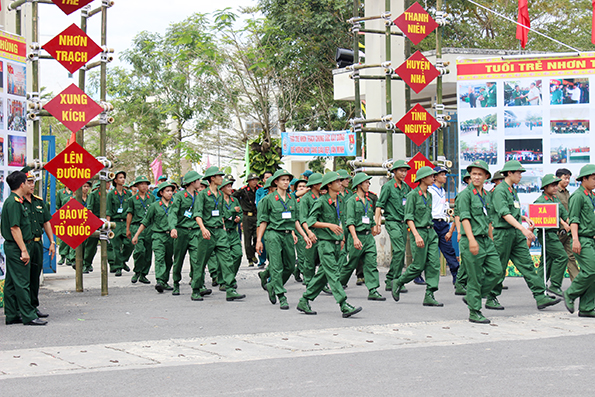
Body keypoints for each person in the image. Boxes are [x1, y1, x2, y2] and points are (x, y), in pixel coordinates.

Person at [487, 160, 561, 310]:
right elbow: (504, 214)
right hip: (503, 234)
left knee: (527, 265)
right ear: (509, 173)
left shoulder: (511, 190)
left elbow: (512, 212)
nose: (520, 176)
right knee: (499, 268)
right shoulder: (500, 190)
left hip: (515, 234)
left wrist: (523, 218)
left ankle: (540, 296)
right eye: (518, 173)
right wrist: (523, 229)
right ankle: (491, 297)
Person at [297, 171, 362, 318]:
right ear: (329, 185)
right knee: (333, 274)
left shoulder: (341, 200)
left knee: (323, 276)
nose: (341, 183)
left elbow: (343, 222)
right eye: (337, 181)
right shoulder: (320, 201)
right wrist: (329, 225)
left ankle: (304, 300)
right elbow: (311, 221)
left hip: (337, 242)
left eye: (341, 181)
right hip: (325, 243)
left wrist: (343, 239)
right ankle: (344, 304)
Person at [256, 169, 311, 310]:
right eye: (283, 180)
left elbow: (296, 220)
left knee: (290, 265)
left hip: (288, 234)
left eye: (287, 180)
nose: (286, 182)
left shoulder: (292, 198)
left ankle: (272, 285)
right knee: (276, 266)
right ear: (276, 182)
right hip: (273, 234)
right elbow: (262, 221)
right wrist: (259, 240)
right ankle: (281, 295)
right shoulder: (268, 200)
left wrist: (304, 235)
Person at [191, 166, 245, 302]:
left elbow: (224, 213)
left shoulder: (220, 195)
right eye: (219, 176)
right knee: (201, 261)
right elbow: (197, 214)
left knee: (226, 259)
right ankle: (196, 289)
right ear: (212, 179)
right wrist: (203, 229)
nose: (222, 178)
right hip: (207, 231)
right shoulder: (202, 195)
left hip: (220, 231)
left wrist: (234, 214)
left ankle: (230, 288)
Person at [457, 160, 502, 324]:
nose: (476, 177)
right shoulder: (465, 195)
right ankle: (475, 311)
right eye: (473, 174)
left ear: (486, 177)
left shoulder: (487, 195)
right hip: (472, 240)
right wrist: (471, 240)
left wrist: (491, 239)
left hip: (486, 241)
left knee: (497, 271)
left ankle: (472, 297)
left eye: (479, 174)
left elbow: (489, 220)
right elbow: (465, 219)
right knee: (474, 277)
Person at [391, 166, 443, 307]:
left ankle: (430, 294)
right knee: (418, 266)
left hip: (431, 232)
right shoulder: (412, 196)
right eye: (431, 176)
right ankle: (399, 281)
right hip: (418, 232)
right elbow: (409, 217)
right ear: (423, 178)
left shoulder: (430, 195)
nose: (434, 178)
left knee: (434, 264)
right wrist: (416, 235)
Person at [3, 171, 46, 325]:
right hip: (16, 246)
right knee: (22, 282)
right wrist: (23, 249)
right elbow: (15, 228)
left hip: (18, 245)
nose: (29, 184)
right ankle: (28, 315)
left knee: (11, 282)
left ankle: (12, 314)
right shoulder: (14, 202)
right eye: (27, 182)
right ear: (22, 184)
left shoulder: (17, 201)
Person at [339, 172, 385, 301]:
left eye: (369, 183)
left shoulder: (369, 201)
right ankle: (339, 283)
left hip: (368, 237)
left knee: (371, 263)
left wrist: (374, 228)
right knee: (352, 263)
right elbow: (350, 222)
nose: (368, 185)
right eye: (366, 182)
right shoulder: (351, 201)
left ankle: (373, 289)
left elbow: (370, 218)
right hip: (357, 235)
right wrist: (354, 238)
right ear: (359, 185)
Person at [21, 168, 55, 318]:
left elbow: (46, 222)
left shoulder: (39, 202)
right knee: (24, 279)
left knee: (35, 277)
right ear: (22, 183)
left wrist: (52, 241)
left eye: (33, 182)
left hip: (37, 243)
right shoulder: (18, 202)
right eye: (29, 182)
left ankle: (33, 307)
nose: (32, 185)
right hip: (25, 244)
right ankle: (23, 309)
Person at [374, 160, 412, 291]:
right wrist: (377, 224)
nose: (403, 173)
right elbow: (379, 206)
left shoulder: (406, 187)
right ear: (394, 171)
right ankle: (396, 281)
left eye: (405, 171)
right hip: (392, 222)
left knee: (399, 252)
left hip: (403, 223)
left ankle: (390, 279)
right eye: (401, 170)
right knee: (400, 250)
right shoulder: (388, 187)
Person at [564, 164, 595, 317]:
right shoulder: (578, 196)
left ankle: (587, 308)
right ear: (585, 178)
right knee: (591, 270)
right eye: (594, 178)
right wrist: (575, 239)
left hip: (591, 239)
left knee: (593, 273)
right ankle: (570, 293)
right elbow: (574, 219)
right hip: (582, 239)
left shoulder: (591, 196)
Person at [132, 182, 174, 293]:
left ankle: (165, 281)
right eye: (167, 191)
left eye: (171, 191)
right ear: (161, 193)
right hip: (158, 236)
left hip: (171, 236)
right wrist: (136, 235)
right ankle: (159, 281)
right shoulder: (154, 206)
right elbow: (145, 222)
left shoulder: (174, 205)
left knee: (168, 260)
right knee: (159, 257)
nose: (170, 193)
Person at [168, 171, 205, 296]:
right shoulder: (179, 196)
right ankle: (176, 283)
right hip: (181, 231)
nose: (200, 182)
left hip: (195, 231)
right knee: (178, 259)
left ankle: (198, 285)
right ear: (192, 182)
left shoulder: (199, 195)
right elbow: (173, 212)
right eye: (198, 180)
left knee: (197, 259)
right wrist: (172, 228)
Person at [534, 174, 569, 298]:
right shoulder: (540, 201)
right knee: (562, 257)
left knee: (546, 263)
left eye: (556, 185)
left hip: (554, 233)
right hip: (546, 234)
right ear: (545, 187)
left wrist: (569, 223)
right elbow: (536, 218)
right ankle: (555, 284)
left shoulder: (556, 199)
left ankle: (539, 289)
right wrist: (563, 223)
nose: (555, 187)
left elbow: (564, 214)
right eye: (552, 185)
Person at [429, 166, 459, 284]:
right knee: (428, 252)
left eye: (445, 174)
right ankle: (418, 275)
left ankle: (457, 277)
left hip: (443, 224)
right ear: (435, 177)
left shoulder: (442, 191)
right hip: (433, 223)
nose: (445, 177)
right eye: (442, 174)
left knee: (449, 250)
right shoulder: (430, 191)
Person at [126, 176, 155, 285]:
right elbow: (130, 214)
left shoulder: (151, 198)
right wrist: (128, 229)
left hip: (149, 227)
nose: (144, 186)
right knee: (139, 250)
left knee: (148, 252)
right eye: (141, 184)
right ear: (137, 186)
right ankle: (137, 271)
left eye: (146, 184)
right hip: (136, 226)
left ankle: (144, 274)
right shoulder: (132, 200)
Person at [107, 171, 133, 277]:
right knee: (116, 246)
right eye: (120, 178)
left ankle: (122, 261)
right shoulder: (111, 194)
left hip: (125, 222)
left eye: (124, 177)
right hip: (115, 222)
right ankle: (118, 267)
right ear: (115, 180)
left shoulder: (129, 194)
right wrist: (108, 226)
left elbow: (131, 210)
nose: (123, 179)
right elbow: (108, 210)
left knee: (130, 243)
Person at [299, 173, 322, 286]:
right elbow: (303, 218)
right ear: (314, 185)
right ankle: (309, 282)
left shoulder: (323, 197)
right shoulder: (306, 199)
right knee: (310, 259)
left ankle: (321, 283)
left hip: (322, 231)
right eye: (320, 183)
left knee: (324, 258)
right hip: (311, 230)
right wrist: (308, 232)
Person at [556, 168, 579, 281]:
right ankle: (542, 284)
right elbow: (553, 212)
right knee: (551, 258)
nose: (567, 180)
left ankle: (577, 284)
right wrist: (564, 223)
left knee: (571, 256)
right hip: (557, 231)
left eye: (569, 178)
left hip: (568, 231)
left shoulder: (568, 193)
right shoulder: (554, 192)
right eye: (565, 178)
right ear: (558, 178)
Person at [232, 172, 259, 266]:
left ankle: (253, 253)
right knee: (247, 239)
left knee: (256, 237)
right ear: (249, 181)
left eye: (256, 180)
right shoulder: (243, 190)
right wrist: (240, 205)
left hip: (256, 216)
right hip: (246, 216)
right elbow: (233, 197)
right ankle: (250, 259)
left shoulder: (259, 189)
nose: (255, 182)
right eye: (253, 180)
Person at [221, 177, 243, 283]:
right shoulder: (218, 201)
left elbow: (240, 212)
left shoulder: (235, 200)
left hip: (233, 231)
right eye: (228, 186)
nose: (230, 189)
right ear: (222, 188)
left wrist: (239, 218)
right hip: (223, 232)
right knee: (224, 258)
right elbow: (219, 215)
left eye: (231, 186)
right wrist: (232, 212)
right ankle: (224, 280)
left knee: (238, 254)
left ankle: (230, 277)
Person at [255, 170, 274, 268]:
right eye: (267, 177)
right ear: (263, 180)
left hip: (274, 222)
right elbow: (259, 204)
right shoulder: (260, 191)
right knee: (261, 240)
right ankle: (261, 261)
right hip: (262, 218)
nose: (269, 179)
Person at [56, 185, 74, 266]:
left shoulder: (76, 191)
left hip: (74, 217)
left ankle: (70, 257)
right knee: (63, 238)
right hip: (64, 217)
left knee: (72, 238)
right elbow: (57, 205)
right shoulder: (60, 192)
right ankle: (63, 256)